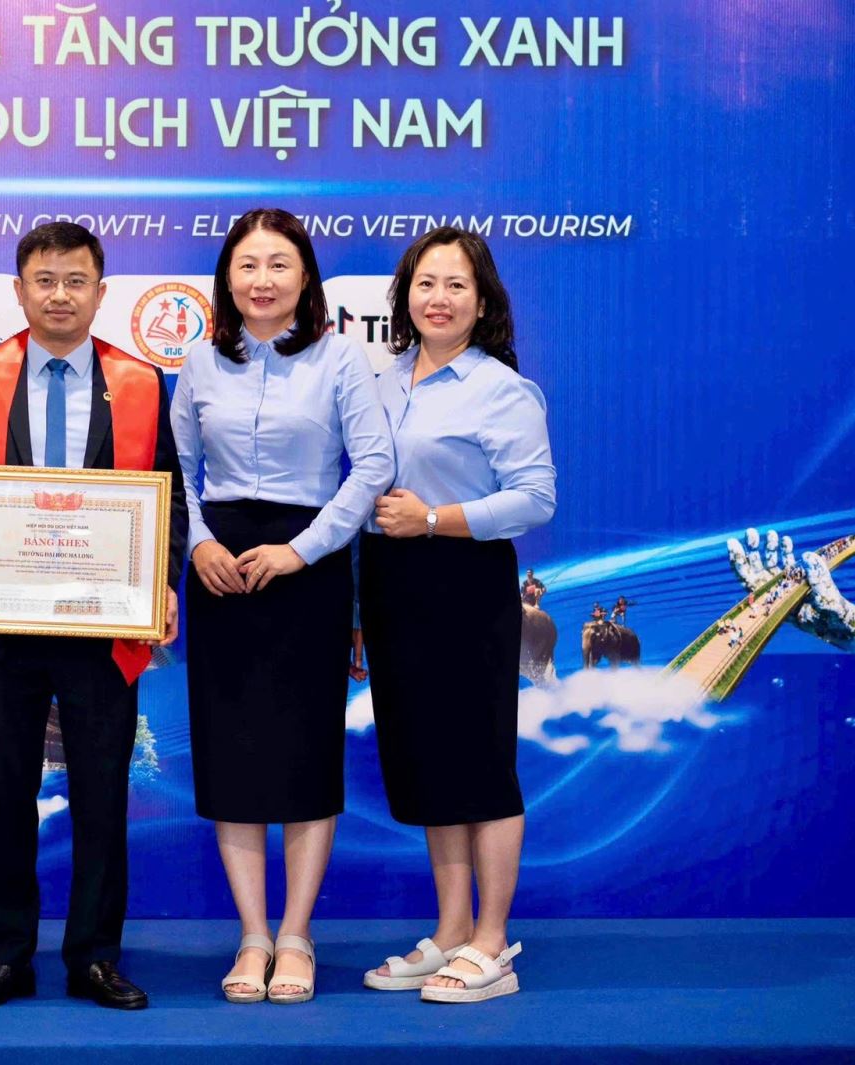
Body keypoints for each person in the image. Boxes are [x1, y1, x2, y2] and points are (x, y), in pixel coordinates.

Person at [0, 222, 187, 1010]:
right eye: (44, 279)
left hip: (102, 623)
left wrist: (161, 580)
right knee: (3, 793)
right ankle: (4, 956)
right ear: (18, 290)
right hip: (1, 621)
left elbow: (167, 495)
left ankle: (95, 956)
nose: (59, 295)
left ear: (101, 292)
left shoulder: (140, 382)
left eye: (75, 281)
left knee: (103, 793)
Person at [170, 209, 393, 1005]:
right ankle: (252, 934)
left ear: (305, 276)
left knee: (304, 755)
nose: (262, 280)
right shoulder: (199, 362)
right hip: (221, 571)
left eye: (279, 264)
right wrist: (198, 545)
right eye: (247, 265)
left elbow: (373, 466)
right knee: (231, 756)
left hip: (309, 569)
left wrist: (302, 550)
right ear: (227, 278)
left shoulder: (342, 359)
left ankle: (296, 933)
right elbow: (178, 471)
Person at [356, 226, 555, 1004]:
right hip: (391, 583)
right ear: (405, 294)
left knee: (479, 763)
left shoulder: (502, 389)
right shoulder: (381, 381)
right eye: (426, 283)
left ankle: (492, 941)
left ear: (482, 300)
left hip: (465, 582)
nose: (439, 298)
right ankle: (451, 929)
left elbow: (535, 498)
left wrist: (436, 518)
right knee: (428, 761)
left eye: (456, 285)